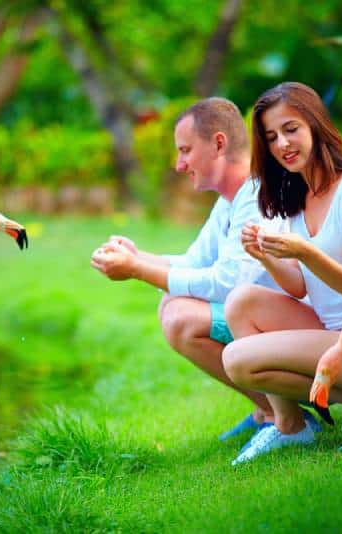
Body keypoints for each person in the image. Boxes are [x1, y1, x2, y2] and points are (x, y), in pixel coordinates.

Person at [90, 97, 316, 442]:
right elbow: (195, 262)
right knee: (172, 304)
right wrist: (139, 257)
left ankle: (287, 418)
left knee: (181, 317)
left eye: (185, 150)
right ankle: (269, 411)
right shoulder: (231, 200)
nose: (179, 164)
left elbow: (226, 283)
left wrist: (136, 269)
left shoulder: (258, 197)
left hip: (305, 328)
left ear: (219, 143)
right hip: (271, 319)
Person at [221, 82, 342, 465]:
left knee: (237, 360)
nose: (282, 144)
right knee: (241, 303)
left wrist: (306, 252)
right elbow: (298, 286)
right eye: (271, 137)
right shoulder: (298, 198)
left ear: (314, 125)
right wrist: (265, 255)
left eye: (290, 129)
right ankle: (291, 427)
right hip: (334, 335)